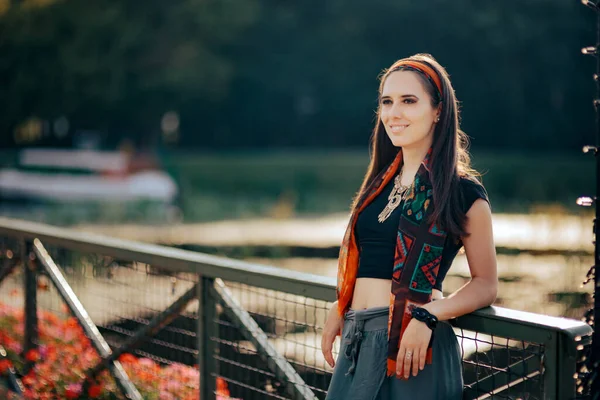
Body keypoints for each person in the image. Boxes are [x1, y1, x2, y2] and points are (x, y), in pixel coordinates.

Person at [321, 53, 498, 400]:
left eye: (408, 101)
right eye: (386, 101)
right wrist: (340, 306)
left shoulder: (462, 192)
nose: (393, 113)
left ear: (438, 111)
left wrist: (427, 316)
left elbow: (486, 285)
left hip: (412, 348)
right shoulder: (378, 184)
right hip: (356, 338)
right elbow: (370, 261)